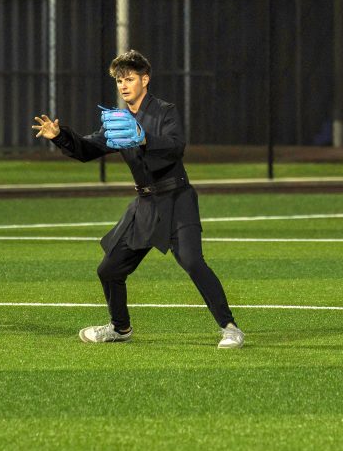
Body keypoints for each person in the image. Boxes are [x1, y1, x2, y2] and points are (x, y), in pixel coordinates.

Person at [31, 49, 244, 348]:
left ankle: (230, 328)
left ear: (145, 80)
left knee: (193, 262)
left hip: (177, 199)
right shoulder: (119, 121)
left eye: (129, 79)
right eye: (119, 80)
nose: (123, 85)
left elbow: (176, 147)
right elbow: (87, 149)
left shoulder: (164, 111)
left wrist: (144, 137)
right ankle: (120, 328)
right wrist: (59, 136)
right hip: (145, 205)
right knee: (109, 269)